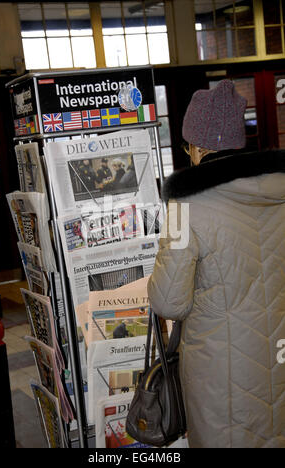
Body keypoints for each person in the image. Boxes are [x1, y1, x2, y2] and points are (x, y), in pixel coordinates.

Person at [148, 79, 285, 448]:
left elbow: (168, 302)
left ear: (197, 146)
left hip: (221, 371)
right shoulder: (279, 193)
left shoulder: (183, 209)